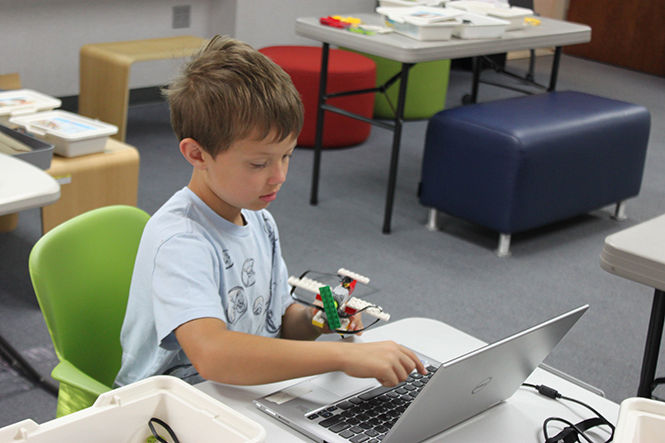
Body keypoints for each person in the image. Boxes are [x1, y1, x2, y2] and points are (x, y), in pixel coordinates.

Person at [114, 35, 425, 389]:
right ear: (197, 155)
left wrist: (315, 319)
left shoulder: (258, 217)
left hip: (239, 390)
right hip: (167, 405)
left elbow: (278, 323)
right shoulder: (180, 240)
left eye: (287, 155)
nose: (279, 177)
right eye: (259, 163)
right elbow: (213, 355)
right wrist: (344, 356)